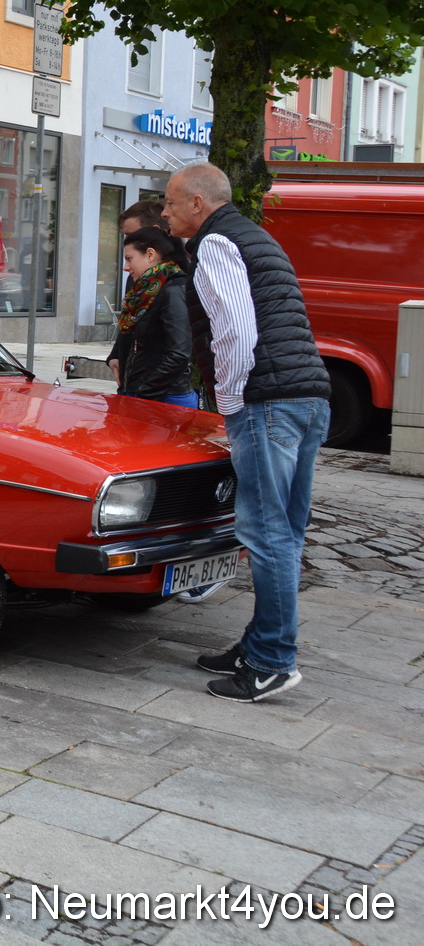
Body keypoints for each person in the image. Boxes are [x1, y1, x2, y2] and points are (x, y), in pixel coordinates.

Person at [163, 161, 330, 703]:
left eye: (170, 203)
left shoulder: (215, 243)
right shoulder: (255, 236)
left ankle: (272, 662)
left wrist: (232, 401)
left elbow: (236, 330)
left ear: (197, 203)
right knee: (286, 532)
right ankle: (260, 645)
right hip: (308, 396)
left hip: (267, 401)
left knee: (266, 533)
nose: (164, 213)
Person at [107, 227, 195, 408]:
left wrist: (145, 393)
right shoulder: (146, 291)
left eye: (129, 258)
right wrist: (115, 357)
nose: (126, 267)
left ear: (150, 254)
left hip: (165, 398)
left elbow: (179, 354)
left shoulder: (173, 290)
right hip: (144, 392)